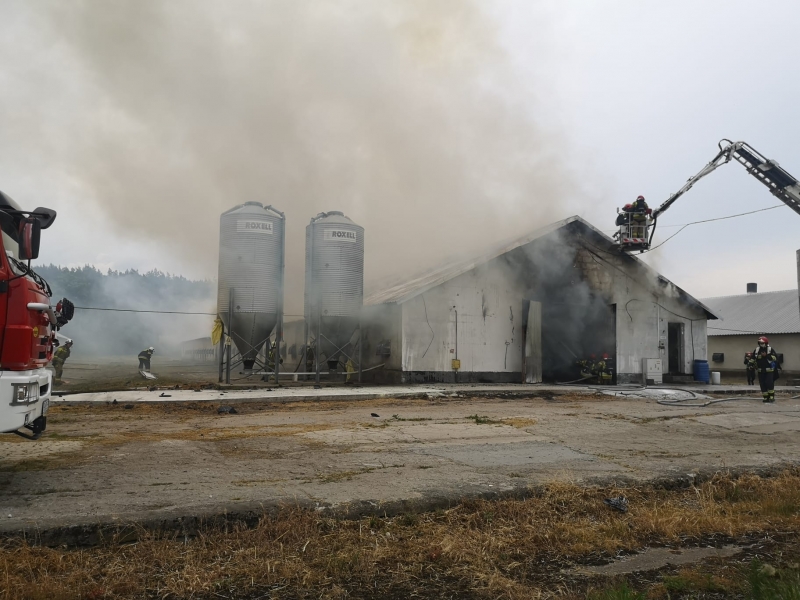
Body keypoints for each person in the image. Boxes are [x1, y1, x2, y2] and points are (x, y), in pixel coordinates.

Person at [752, 336, 777, 403]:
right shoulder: (757, 350)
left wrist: (766, 356)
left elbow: (775, 358)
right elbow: (753, 358)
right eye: (760, 342)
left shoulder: (770, 349)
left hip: (769, 370)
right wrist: (751, 365)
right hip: (760, 371)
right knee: (762, 384)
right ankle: (765, 397)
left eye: (762, 342)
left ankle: (771, 397)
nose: (761, 344)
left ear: (766, 342)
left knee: (769, 383)